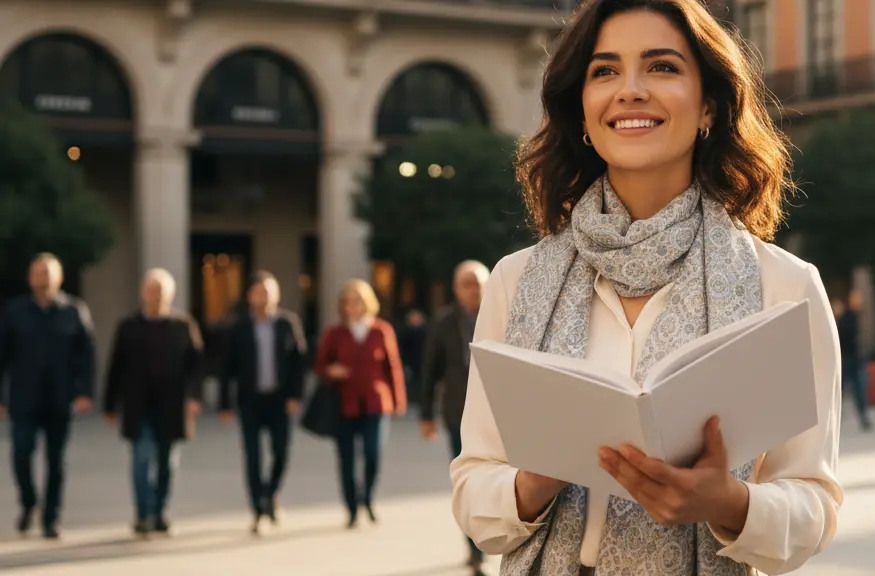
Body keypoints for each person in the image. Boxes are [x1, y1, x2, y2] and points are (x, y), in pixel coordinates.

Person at [449, 2, 843, 575]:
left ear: (708, 105)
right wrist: (534, 480)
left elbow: (813, 505)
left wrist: (729, 504)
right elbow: (473, 486)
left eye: (661, 67)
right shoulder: (515, 281)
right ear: (581, 112)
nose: (629, 90)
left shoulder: (784, 285)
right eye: (605, 71)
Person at [0, 254, 95, 539]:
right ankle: (29, 502)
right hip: (24, 398)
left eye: (48, 272)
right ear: (30, 278)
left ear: (60, 278)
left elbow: (87, 356)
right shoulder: (15, 311)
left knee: (57, 462)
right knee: (20, 455)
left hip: (60, 398)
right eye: (38, 272)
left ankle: (51, 518)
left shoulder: (74, 311)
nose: (43, 277)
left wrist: (85, 392)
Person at [103, 269, 204, 537]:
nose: (155, 295)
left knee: (167, 463)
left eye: (160, 290)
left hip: (172, 406)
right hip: (138, 406)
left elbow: (196, 366)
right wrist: (110, 405)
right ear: (142, 293)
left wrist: (194, 397)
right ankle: (143, 514)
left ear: (170, 294)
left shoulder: (183, 326)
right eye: (151, 290)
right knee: (141, 459)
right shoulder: (129, 326)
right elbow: (116, 366)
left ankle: (160, 511)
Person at [218, 271, 307, 534]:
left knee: (281, 453)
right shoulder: (239, 327)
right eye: (259, 292)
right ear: (250, 297)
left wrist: (295, 396)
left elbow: (299, 363)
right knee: (253, 457)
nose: (263, 297)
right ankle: (258, 510)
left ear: (276, 295)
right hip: (250, 400)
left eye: (268, 292)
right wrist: (225, 404)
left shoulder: (288, 324)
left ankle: (270, 495)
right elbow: (227, 367)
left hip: (280, 401)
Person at [315, 279, 406, 528]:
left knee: (372, 454)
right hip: (344, 403)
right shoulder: (334, 333)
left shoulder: (381, 330)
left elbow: (393, 367)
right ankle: (352, 506)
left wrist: (399, 400)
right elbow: (320, 364)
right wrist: (331, 371)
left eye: (357, 300)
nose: (352, 306)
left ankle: (368, 498)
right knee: (345, 457)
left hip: (376, 402)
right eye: (348, 301)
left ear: (367, 302)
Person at [420, 260, 490, 574]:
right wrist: (426, 414)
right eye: (466, 283)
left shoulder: (499, 313)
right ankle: (474, 547)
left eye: (477, 283)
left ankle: (489, 538)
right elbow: (429, 369)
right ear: (455, 288)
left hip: (495, 414)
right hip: (457, 412)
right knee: (466, 481)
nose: (472, 290)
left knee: (491, 480)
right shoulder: (445, 321)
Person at [836, 290, 873, 431]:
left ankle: (863, 417)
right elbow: (844, 338)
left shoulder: (855, 316)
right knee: (843, 390)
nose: (859, 302)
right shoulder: (846, 317)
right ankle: (838, 417)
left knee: (859, 390)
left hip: (855, 359)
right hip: (848, 358)